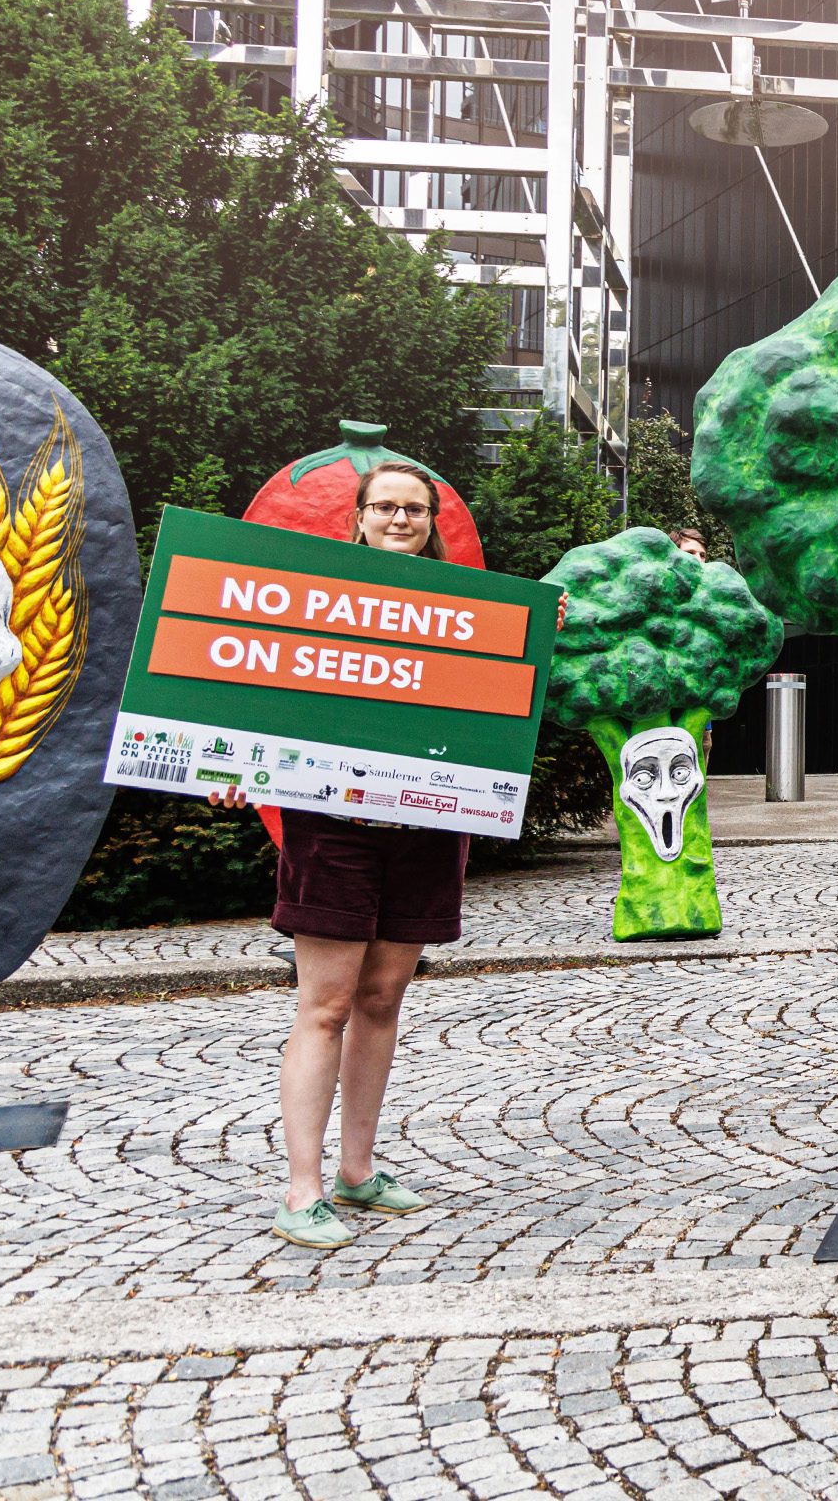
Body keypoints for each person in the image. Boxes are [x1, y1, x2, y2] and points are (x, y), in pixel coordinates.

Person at [214, 462, 542, 1251]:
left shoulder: (465, 610)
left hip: (426, 828)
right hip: (332, 828)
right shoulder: (313, 597)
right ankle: (303, 1188)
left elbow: (494, 705)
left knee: (384, 998)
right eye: (385, 507)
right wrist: (229, 761)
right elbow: (257, 684)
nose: (400, 518)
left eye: (414, 508)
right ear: (357, 516)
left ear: (433, 520)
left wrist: (538, 633)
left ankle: (358, 1171)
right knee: (324, 1003)